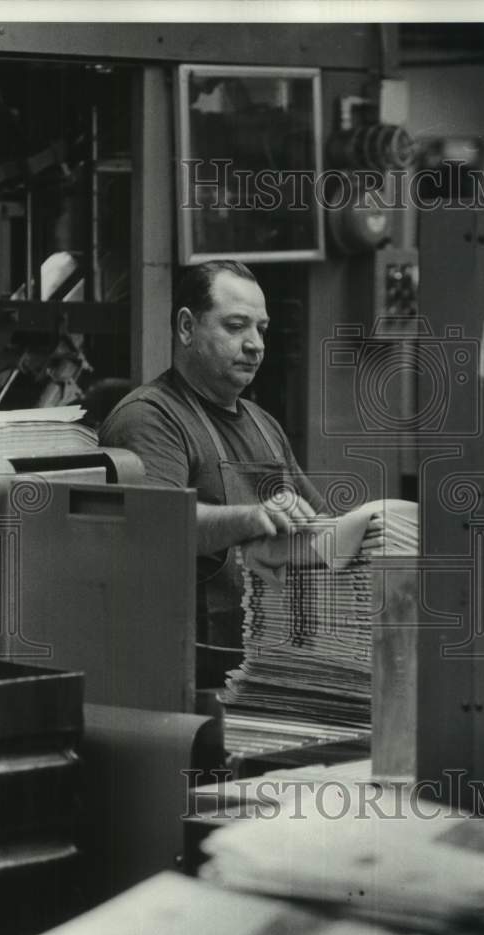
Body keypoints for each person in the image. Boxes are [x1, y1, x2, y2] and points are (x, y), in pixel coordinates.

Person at [99, 260, 326, 686]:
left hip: (266, 667)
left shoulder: (264, 424)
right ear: (187, 328)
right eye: (236, 326)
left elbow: (322, 525)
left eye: (261, 328)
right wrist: (250, 519)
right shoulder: (150, 419)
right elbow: (151, 528)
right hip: (187, 675)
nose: (255, 344)